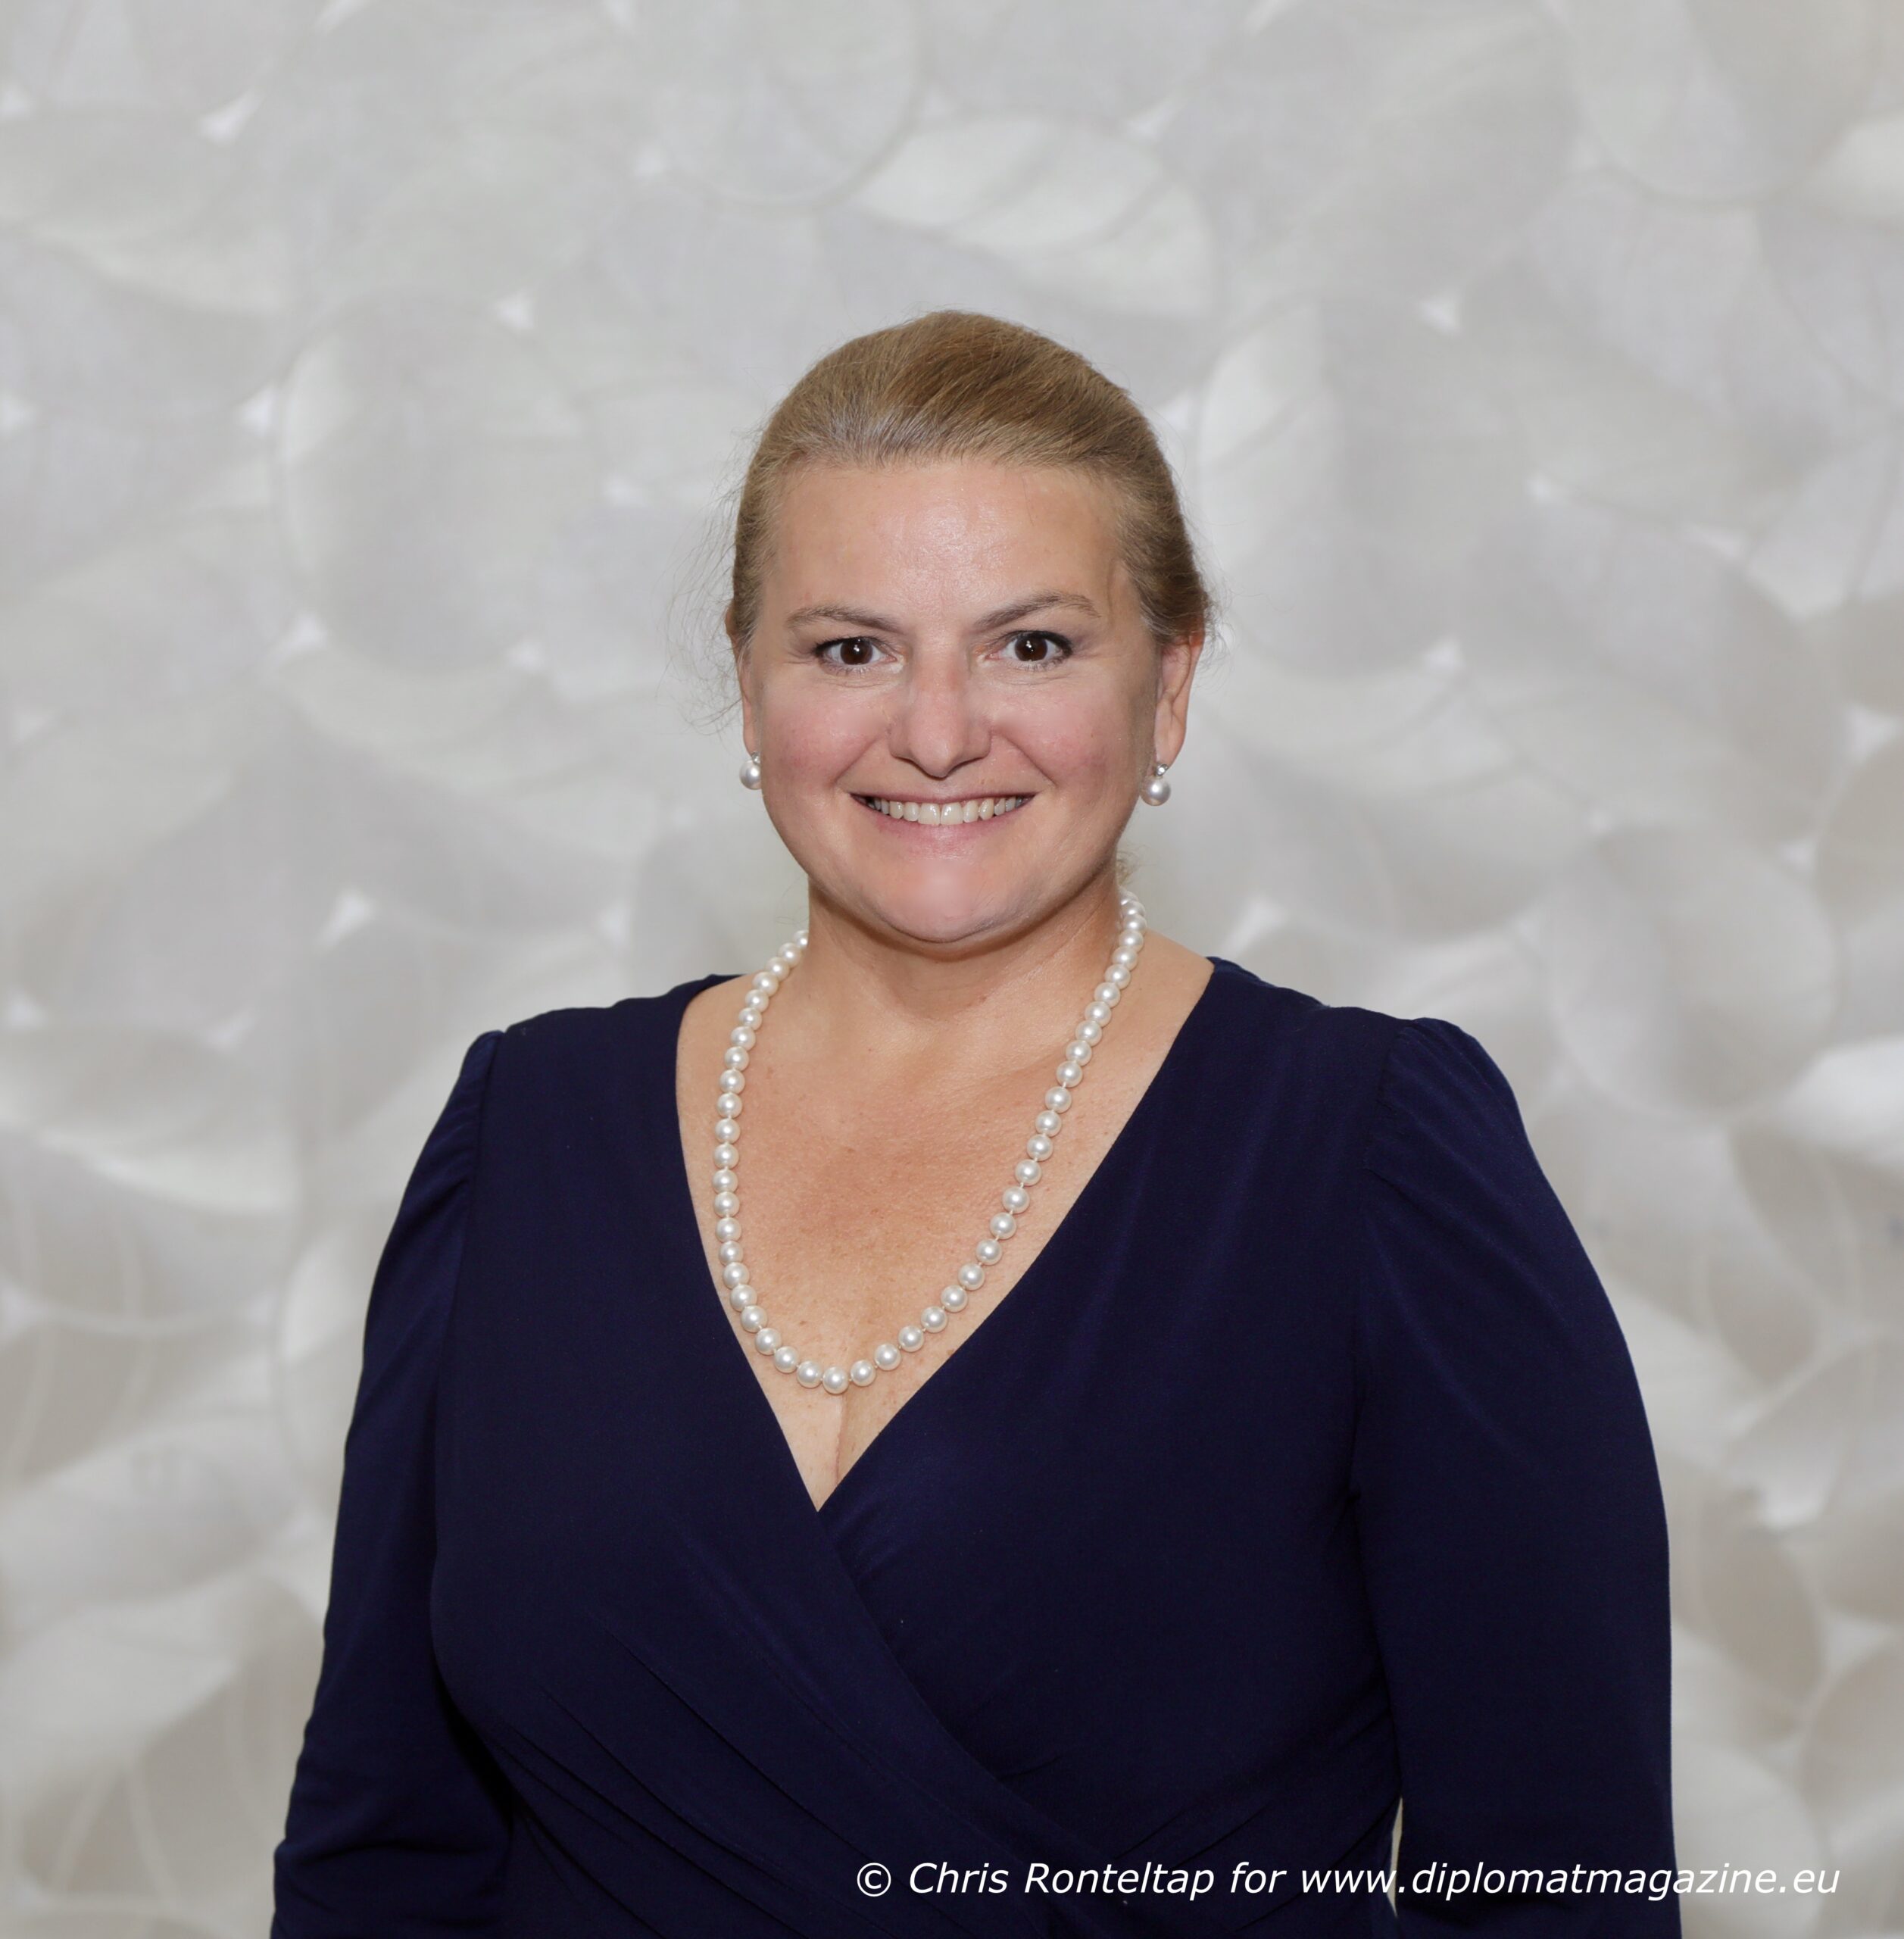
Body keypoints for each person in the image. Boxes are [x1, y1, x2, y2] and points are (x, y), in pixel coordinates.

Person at [270, 311, 1680, 1936]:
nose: (938, 732)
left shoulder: (1372, 1158)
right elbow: (382, 1854)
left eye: (1033, 646)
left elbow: (1560, 1890)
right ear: (748, 687)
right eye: (849, 650)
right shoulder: (527, 1133)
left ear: (1170, 683)